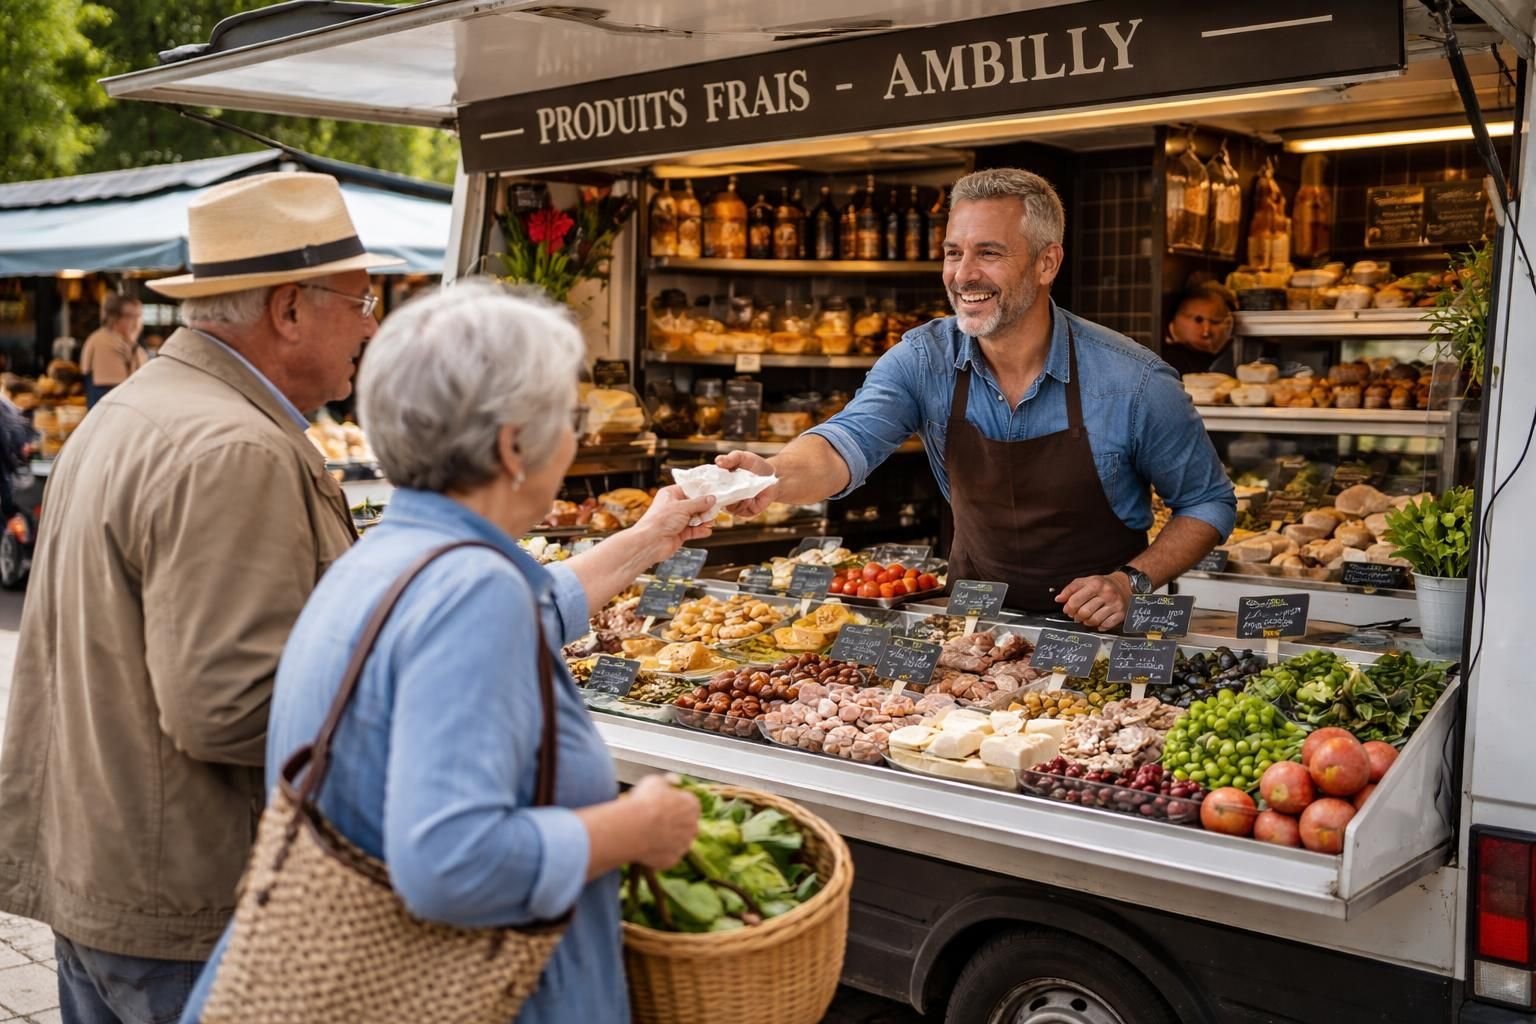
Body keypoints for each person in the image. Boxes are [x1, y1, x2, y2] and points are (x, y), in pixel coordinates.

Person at [181, 280, 709, 1023]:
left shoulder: (387, 558)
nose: (575, 438)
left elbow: (515, 614)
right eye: (566, 418)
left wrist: (649, 538)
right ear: (508, 447)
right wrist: (634, 828)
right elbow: (450, 863)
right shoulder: (470, 592)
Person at [0, 171, 404, 1024]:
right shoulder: (235, 447)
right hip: (188, 906)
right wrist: (408, 692)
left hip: (110, 877)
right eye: (361, 299)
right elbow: (231, 706)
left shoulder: (139, 409)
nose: (373, 323)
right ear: (289, 309)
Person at [719, 168, 1234, 630]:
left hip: (1106, 636)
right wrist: (771, 476)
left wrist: (1130, 582)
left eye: (989, 253)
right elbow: (844, 442)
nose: (963, 274)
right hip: (975, 629)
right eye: (953, 253)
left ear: (1046, 262)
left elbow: (1207, 502)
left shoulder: (1135, 380)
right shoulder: (925, 358)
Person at [79, 292, 146, 407]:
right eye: (130, 316)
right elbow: (122, 393)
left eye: (139, 316)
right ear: (114, 318)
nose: (137, 323)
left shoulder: (130, 343)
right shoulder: (104, 341)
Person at [1162, 282, 1238, 377]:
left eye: (1215, 321)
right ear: (1176, 319)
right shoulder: (1168, 361)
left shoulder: (1230, 355)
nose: (1206, 331)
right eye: (1198, 320)